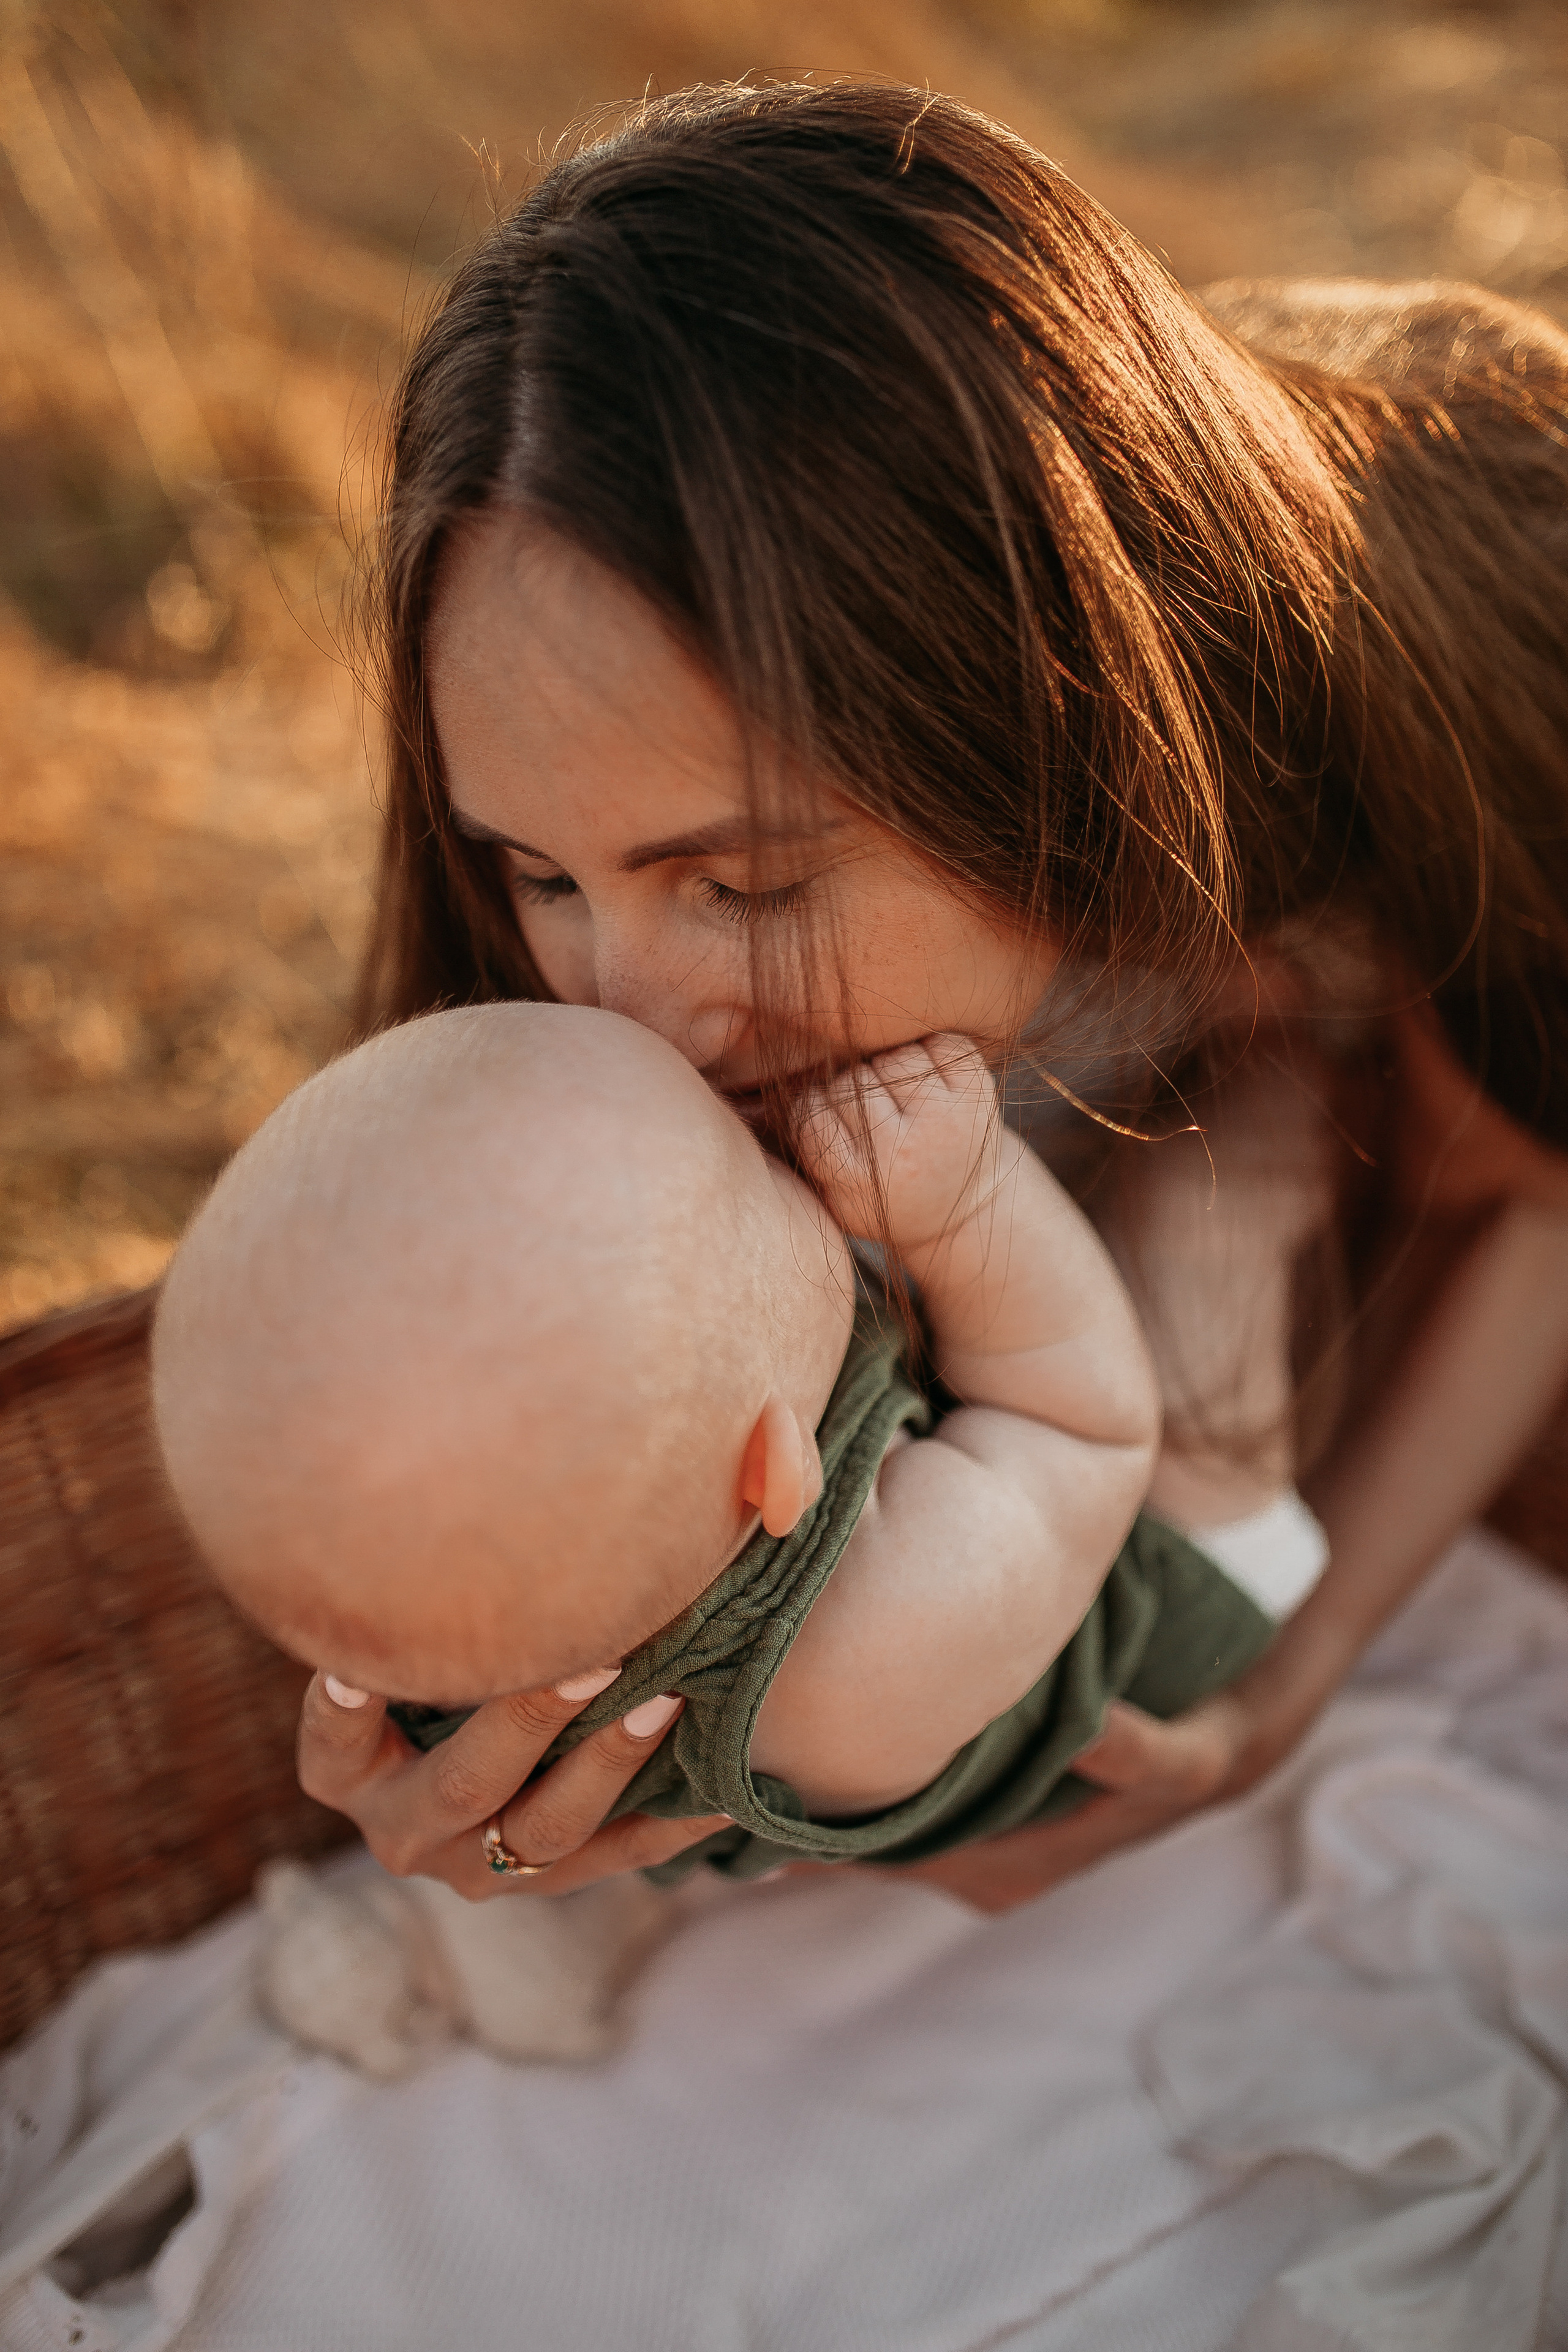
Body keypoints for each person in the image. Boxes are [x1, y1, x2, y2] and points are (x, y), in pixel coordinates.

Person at [298, 78, 1568, 1913]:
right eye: (541, 874)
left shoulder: (1456, 703)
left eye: (743, 884)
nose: (627, 1016)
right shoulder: (639, 931)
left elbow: (1540, 1197)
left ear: (1055, 727)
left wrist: (1277, 1695)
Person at [154, 1003, 1325, 1899]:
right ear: (777, 1468)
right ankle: (1305, 1076)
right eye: (756, 1162)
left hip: (951, 1476)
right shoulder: (865, 1651)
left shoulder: (459, 1573)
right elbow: (1081, 1424)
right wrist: (970, 1204)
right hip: (1150, 1578)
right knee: (1205, 1207)